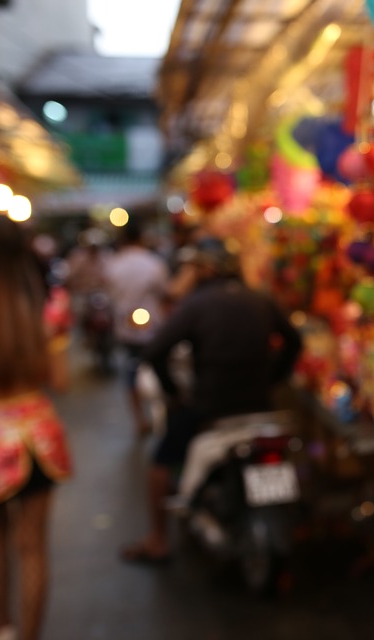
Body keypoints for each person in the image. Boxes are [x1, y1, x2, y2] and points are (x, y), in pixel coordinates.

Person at [121, 238, 302, 563]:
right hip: (260, 404)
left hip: (212, 408)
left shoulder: (197, 305)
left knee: (161, 460)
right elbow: (294, 341)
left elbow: (156, 352)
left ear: (205, 269)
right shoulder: (260, 299)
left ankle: (158, 539)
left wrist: (175, 394)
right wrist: (273, 378)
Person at [0, 216, 73, 640]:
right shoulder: (48, 305)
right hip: (37, 437)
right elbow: (59, 381)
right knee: (33, 550)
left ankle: (1, 628)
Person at [104, 222, 169, 436]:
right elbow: (164, 293)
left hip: (126, 328)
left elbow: (110, 294)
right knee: (160, 368)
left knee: (131, 372)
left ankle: (140, 419)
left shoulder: (113, 264)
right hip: (154, 328)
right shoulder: (153, 263)